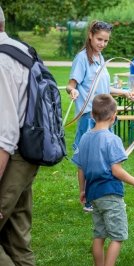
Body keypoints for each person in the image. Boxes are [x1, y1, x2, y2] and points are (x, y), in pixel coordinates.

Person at [72, 94, 134, 266]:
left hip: (93, 194)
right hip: (111, 194)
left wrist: (82, 190)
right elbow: (116, 170)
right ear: (114, 116)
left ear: (92, 115)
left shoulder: (84, 138)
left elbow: (80, 168)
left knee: (99, 235)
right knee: (117, 236)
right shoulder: (113, 139)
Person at [67, 20, 133, 212]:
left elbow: (101, 87)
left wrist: (121, 92)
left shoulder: (101, 58)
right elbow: (71, 84)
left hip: (105, 115)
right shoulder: (82, 58)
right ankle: (87, 199)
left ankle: (105, 198)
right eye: (99, 39)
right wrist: (72, 91)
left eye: (106, 41)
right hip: (90, 116)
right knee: (87, 158)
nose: (102, 44)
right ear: (90, 35)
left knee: (105, 158)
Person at [0, 6, 40, 264]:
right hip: (28, 154)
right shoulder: (22, 49)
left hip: (11, 158)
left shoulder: (1, 61)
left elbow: (5, 133)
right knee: (17, 240)